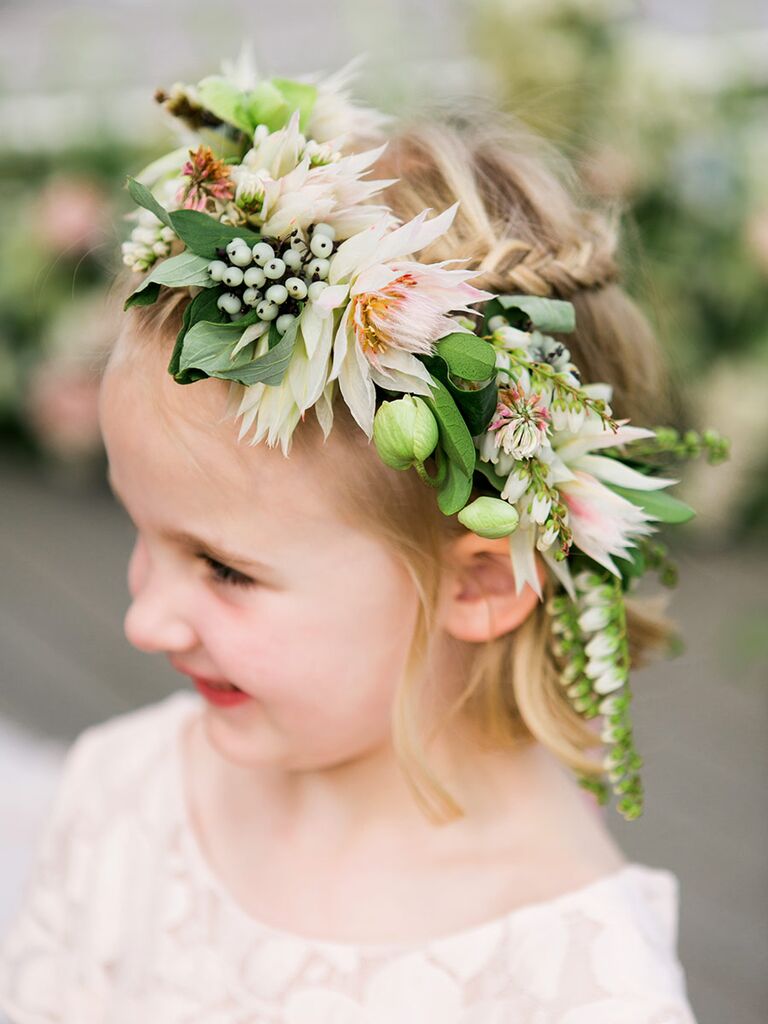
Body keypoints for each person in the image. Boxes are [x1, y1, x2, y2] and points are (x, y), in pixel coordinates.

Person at [0, 59, 710, 1022]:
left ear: (483, 582)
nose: (145, 619)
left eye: (222, 568)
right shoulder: (124, 795)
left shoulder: (569, 980)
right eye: (143, 533)